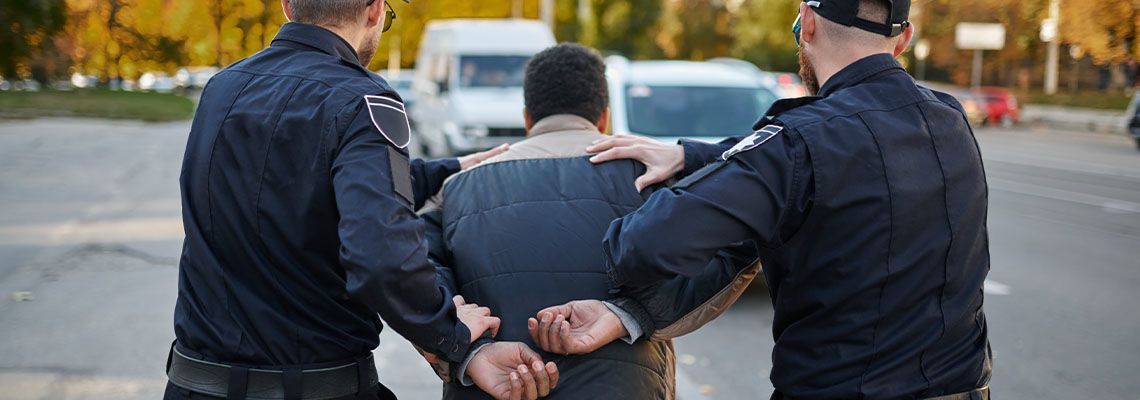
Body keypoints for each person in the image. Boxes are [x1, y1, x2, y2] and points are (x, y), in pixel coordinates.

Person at [535, 0, 994, 399]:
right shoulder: (949, 119)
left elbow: (640, 247)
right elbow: (847, 151)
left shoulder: (791, 148)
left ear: (806, 22)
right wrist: (693, 155)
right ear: (904, 38)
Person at [166, 1, 558, 399]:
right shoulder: (363, 99)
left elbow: (295, 184)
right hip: (317, 387)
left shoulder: (224, 87)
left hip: (193, 385)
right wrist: (449, 332)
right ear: (373, 10)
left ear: (287, 6)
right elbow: (382, 258)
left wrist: (448, 168)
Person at [418, 43, 762, 399]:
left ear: (526, 118)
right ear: (604, 118)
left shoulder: (454, 191)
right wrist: (632, 316)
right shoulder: (653, 177)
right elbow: (741, 238)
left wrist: (467, 353)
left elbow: (412, 283)